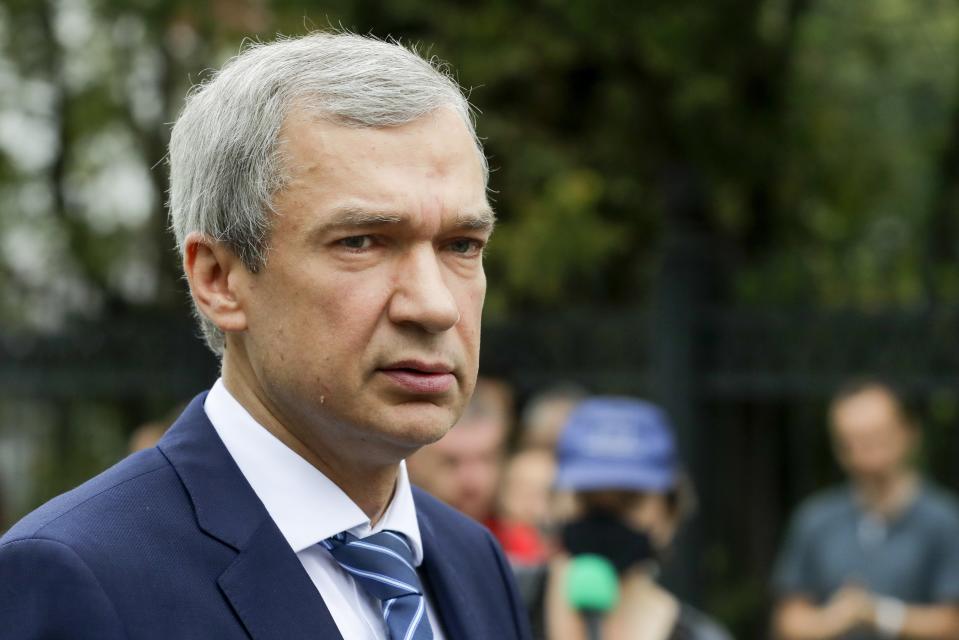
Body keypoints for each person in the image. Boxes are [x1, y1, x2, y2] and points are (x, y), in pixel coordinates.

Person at [0, 32, 531, 640]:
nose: (435, 306)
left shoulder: (473, 562)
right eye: (361, 242)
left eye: (461, 245)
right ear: (219, 279)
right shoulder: (80, 574)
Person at [772, 379, 959, 640]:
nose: (865, 449)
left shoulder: (945, 520)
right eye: (852, 440)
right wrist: (832, 620)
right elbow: (788, 620)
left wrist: (880, 614)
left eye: (877, 436)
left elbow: (953, 624)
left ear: (909, 432)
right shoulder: (815, 519)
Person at [542, 397, 731, 640]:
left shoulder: (700, 635)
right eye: (587, 499)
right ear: (555, 501)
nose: (604, 518)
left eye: (628, 501)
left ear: (670, 513)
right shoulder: (502, 598)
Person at [407, 379, 509, 524]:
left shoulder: (517, 539)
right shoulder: (387, 538)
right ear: (411, 461)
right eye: (451, 462)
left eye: (486, 459)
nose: (474, 482)